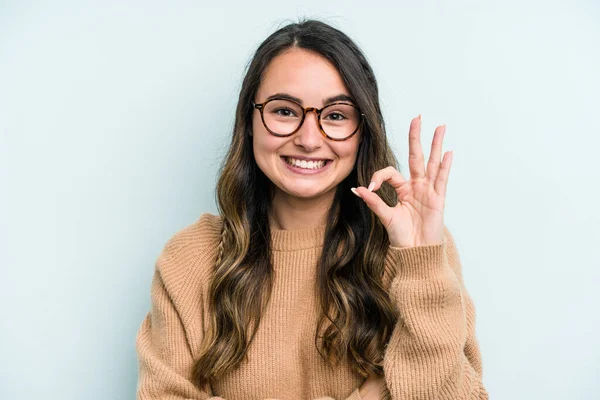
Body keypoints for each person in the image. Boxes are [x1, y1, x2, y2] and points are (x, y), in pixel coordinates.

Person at [135, 19, 488, 400]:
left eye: (336, 115)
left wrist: (421, 264)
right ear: (249, 121)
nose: (307, 139)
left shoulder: (415, 248)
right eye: (284, 111)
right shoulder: (190, 260)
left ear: (362, 131)